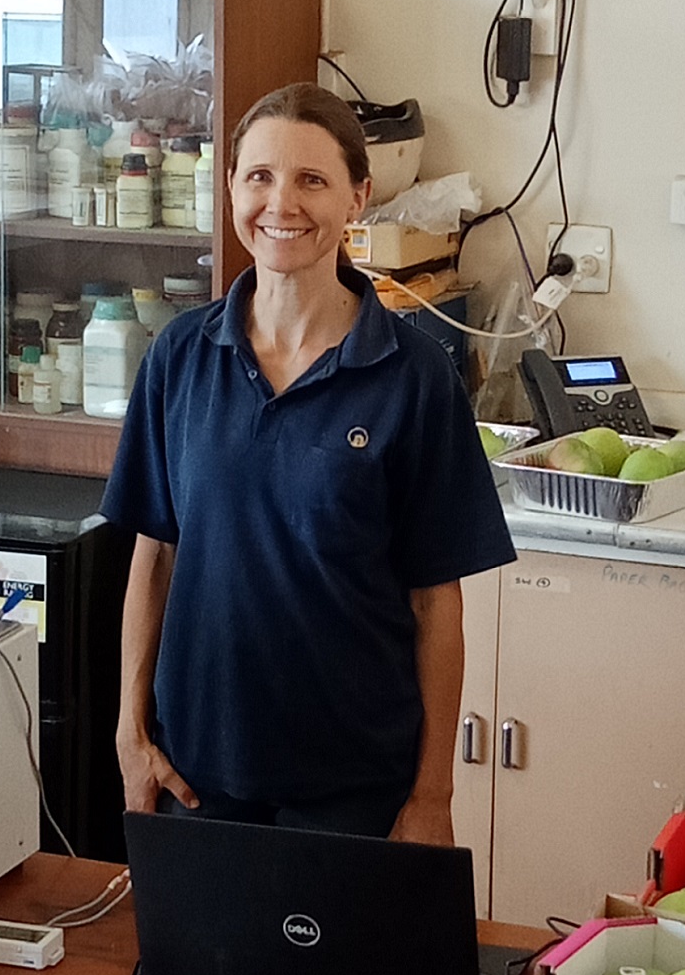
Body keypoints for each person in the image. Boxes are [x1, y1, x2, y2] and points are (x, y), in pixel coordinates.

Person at [103, 82, 515, 842]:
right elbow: (154, 557)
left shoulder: (414, 374)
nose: (280, 203)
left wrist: (431, 796)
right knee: (187, 967)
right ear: (229, 186)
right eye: (258, 176)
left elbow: (436, 604)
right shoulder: (180, 357)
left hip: (357, 787)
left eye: (311, 180)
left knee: (352, 965)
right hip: (196, 776)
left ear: (358, 197)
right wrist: (133, 733)